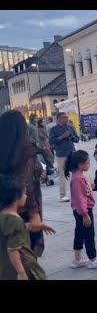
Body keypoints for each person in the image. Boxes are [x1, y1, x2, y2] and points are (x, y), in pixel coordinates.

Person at [0, 110, 47, 257]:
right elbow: (26, 184)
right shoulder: (25, 151)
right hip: (22, 208)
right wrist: (34, 213)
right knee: (25, 254)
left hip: (3, 208)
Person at [0, 175, 55, 280]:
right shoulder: (15, 220)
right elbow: (12, 249)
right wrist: (21, 272)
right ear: (16, 198)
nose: (26, 196)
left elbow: (11, 231)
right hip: (23, 263)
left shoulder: (4, 215)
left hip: (5, 265)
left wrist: (36, 226)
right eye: (24, 193)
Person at [64, 150, 97, 270]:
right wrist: (85, 215)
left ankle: (77, 259)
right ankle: (93, 259)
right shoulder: (78, 179)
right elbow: (80, 199)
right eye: (88, 162)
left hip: (79, 211)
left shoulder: (78, 177)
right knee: (89, 235)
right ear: (80, 164)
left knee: (79, 234)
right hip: (83, 211)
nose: (89, 164)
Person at [49, 112, 79, 202]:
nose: (66, 119)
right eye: (64, 117)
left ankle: (77, 192)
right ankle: (62, 195)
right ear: (58, 119)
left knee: (76, 173)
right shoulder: (54, 129)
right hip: (61, 154)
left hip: (72, 152)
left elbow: (77, 139)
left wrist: (73, 138)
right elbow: (51, 141)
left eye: (66, 117)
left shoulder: (70, 127)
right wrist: (62, 137)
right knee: (62, 175)